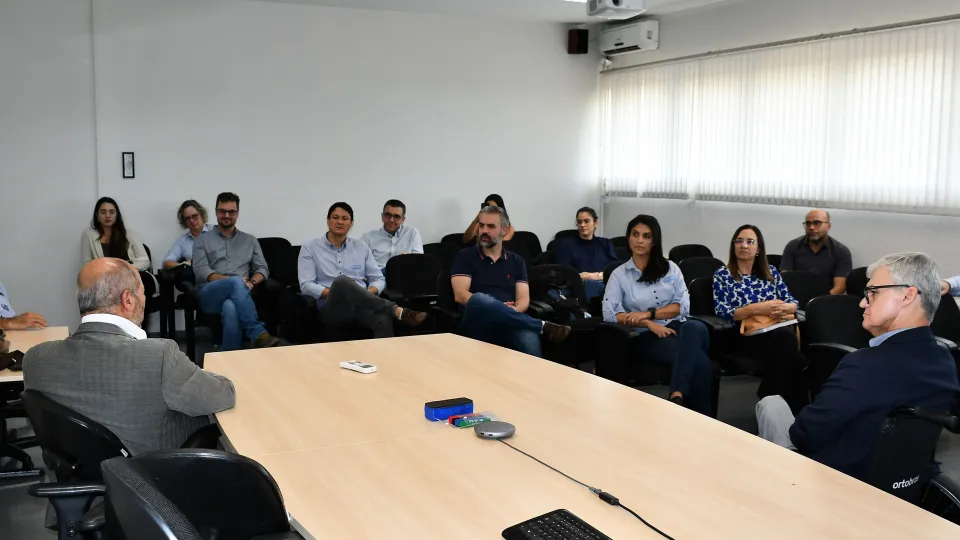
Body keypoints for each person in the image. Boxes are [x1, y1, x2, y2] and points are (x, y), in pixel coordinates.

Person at [756, 252, 959, 481]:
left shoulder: (864, 366)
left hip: (837, 487)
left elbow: (804, 435)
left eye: (872, 292)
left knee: (771, 404)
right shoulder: (945, 361)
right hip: (904, 487)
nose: (863, 302)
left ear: (907, 296)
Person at [23, 258, 236, 455]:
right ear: (128, 300)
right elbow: (222, 395)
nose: (145, 300)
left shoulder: (34, 359)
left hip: (81, 470)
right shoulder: (158, 355)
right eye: (142, 294)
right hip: (154, 474)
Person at [602, 215, 714, 415]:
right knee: (702, 363)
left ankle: (677, 394)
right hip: (647, 336)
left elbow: (683, 307)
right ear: (628, 238)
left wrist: (648, 314)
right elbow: (611, 314)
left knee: (694, 326)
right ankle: (703, 419)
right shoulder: (619, 275)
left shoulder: (671, 268)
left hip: (680, 327)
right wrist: (649, 324)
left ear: (654, 241)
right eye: (635, 235)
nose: (639, 240)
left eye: (646, 236)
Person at [713, 225, 809, 413]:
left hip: (774, 332)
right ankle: (797, 411)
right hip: (743, 335)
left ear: (758, 249)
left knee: (786, 346)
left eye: (750, 242)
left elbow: (791, 301)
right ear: (733, 246)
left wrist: (786, 307)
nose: (744, 246)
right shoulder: (723, 274)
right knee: (792, 355)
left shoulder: (771, 272)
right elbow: (722, 311)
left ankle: (772, 398)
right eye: (739, 241)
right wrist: (756, 308)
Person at [451, 205, 570, 357]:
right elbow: (460, 295)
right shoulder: (465, 257)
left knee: (529, 339)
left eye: (491, 226)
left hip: (509, 322)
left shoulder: (516, 261)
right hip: (477, 321)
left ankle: (533, 380)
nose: (484, 231)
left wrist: (510, 311)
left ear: (504, 230)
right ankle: (541, 326)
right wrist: (495, 306)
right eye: (481, 226)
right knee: (479, 298)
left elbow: (523, 299)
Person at [299, 202, 428, 337]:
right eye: (335, 217)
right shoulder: (310, 248)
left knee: (382, 320)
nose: (340, 222)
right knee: (342, 282)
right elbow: (306, 285)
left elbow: (377, 278)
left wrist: (363, 294)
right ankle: (397, 310)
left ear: (351, 223)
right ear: (328, 220)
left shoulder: (361, 247)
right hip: (331, 307)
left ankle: (386, 357)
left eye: (345, 219)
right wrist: (339, 293)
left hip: (361, 304)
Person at [192, 192, 279, 350]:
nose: (226, 215)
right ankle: (258, 332)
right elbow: (201, 271)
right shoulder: (202, 241)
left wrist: (252, 282)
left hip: (242, 293)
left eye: (231, 212)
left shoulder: (250, 240)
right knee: (235, 281)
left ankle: (228, 357)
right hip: (210, 294)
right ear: (216, 212)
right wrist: (232, 281)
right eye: (222, 211)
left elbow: (262, 269)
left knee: (230, 307)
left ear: (237, 213)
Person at [81, 197, 156, 299]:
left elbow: (145, 260)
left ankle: (137, 314)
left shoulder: (129, 234)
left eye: (112, 212)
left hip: (130, 276)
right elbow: (87, 264)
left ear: (116, 215)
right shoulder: (88, 235)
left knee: (141, 284)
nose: (108, 215)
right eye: (103, 212)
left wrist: (124, 270)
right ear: (97, 216)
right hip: (106, 280)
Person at [780, 209, 853, 295]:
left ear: (829, 226)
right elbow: (784, 279)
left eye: (817, 223)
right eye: (808, 223)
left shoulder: (841, 251)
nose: (811, 227)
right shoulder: (793, 246)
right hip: (795, 297)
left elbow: (839, 287)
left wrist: (818, 302)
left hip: (825, 299)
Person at [557, 207, 619, 302]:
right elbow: (564, 272)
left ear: (595, 223)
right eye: (579, 222)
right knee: (591, 285)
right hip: (581, 286)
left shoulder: (606, 243)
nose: (582, 225)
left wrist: (594, 275)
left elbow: (614, 271)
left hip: (606, 283)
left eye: (586, 221)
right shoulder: (567, 245)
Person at [361, 199, 424, 268]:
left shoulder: (412, 233)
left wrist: (409, 259)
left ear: (403, 220)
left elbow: (419, 261)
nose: (391, 220)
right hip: (378, 276)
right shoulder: (368, 238)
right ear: (382, 216)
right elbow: (358, 263)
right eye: (388, 215)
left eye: (396, 216)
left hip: (404, 274)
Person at [162, 199, 212, 284]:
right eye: (188, 218)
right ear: (184, 222)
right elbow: (167, 263)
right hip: (197, 281)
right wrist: (185, 264)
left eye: (195, 216)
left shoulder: (218, 231)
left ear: (202, 215)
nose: (192, 221)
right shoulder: (183, 241)